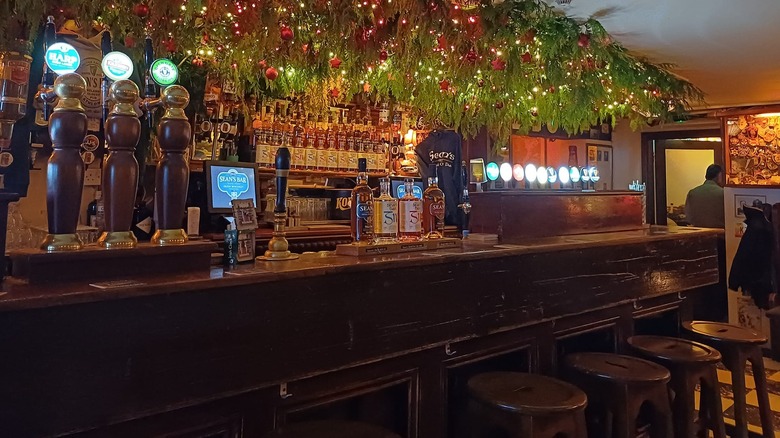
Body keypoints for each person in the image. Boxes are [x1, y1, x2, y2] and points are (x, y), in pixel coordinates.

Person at [684, 164, 725, 228]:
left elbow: (688, 216)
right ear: (719, 176)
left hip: (698, 233)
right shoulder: (723, 193)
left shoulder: (692, 192)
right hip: (719, 233)